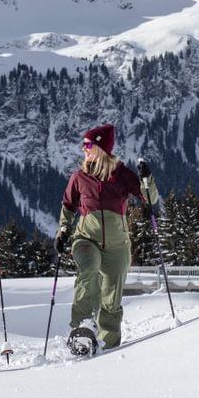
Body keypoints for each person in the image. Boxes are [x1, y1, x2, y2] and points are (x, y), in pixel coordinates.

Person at [55, 123, 151, 352]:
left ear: (101, 148)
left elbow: (150, 199)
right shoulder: (79, 177)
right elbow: (68, 205)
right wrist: (63, 230)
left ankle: (108, 346)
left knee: (112, 296)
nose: (83, 149)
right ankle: (82, 328)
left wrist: (148, 181)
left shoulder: (123, 175)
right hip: (86, 239)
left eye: (88, 144)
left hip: (118, 244)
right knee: (88, 270)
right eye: (84, 144)